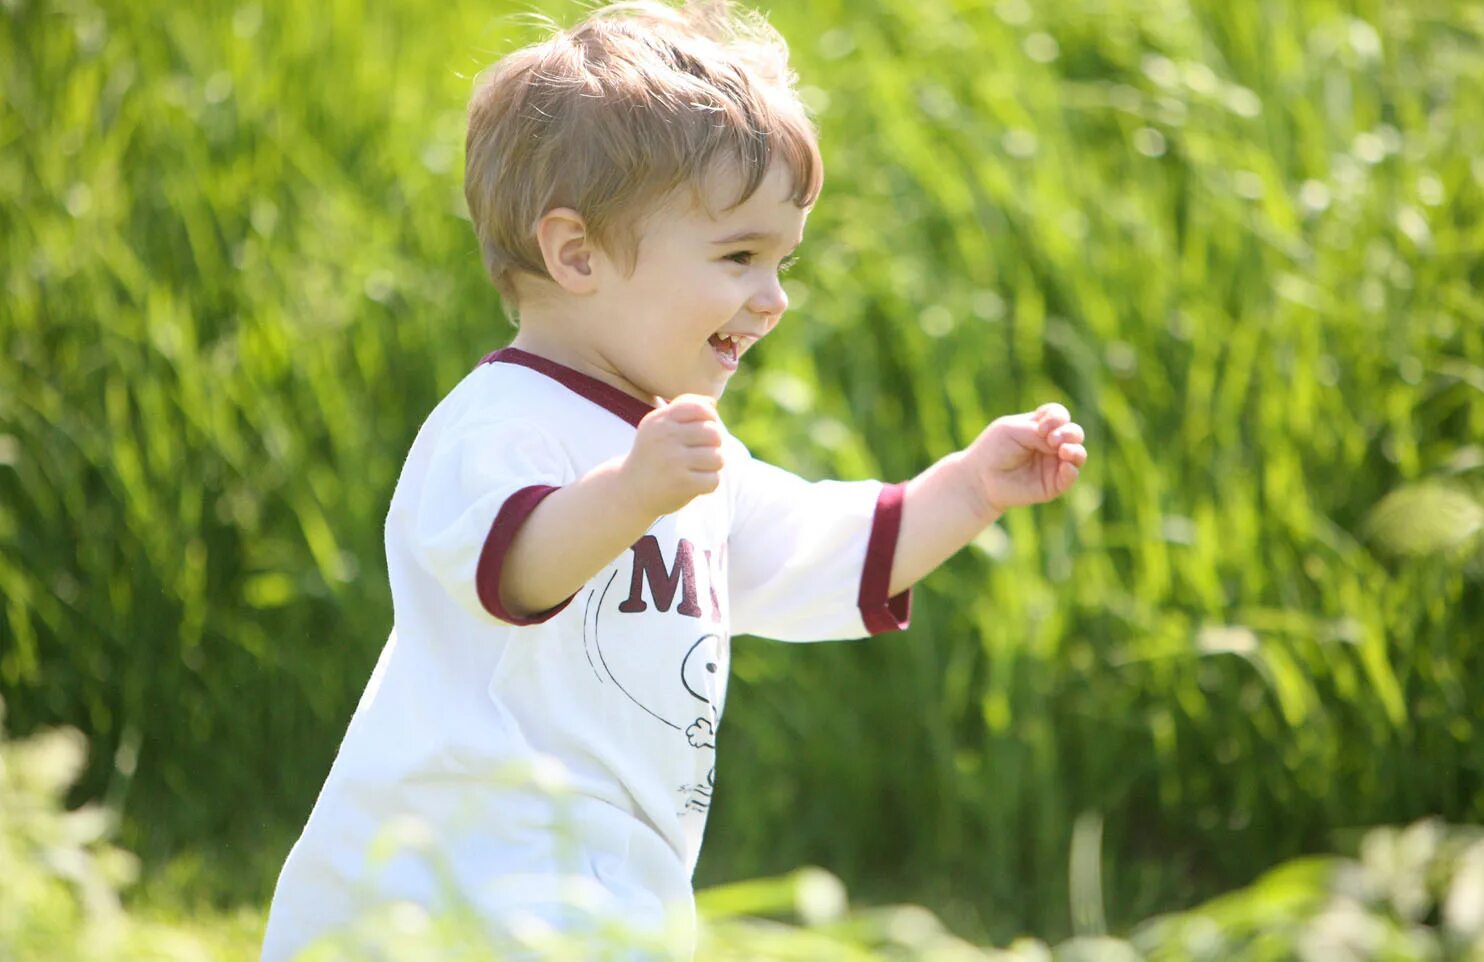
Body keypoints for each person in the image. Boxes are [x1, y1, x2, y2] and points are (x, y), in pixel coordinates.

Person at [259, 1, 1088, 958]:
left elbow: (827, 547)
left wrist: (970, 490)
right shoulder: (500, 423)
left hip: (607, 905)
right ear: (577, 254)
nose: (773, 300)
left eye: (783, 261)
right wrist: (632, 493)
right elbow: (515, 570)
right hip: (443, 894)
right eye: (740, 256)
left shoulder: (689, 457)